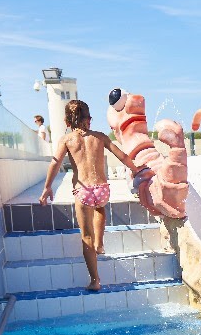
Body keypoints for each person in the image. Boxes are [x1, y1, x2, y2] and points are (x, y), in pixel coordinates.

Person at [39, 100, 139, 291]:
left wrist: (47, 187)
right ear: (89, 119)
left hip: (83, 191)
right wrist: (136, 169)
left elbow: (55, 163)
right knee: (99, 207)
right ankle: (100, 244)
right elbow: (122, 156)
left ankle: (95, 280)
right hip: (102, 189)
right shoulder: (100, 137)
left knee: (86, 237)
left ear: (67, 122)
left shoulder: (67, 140)